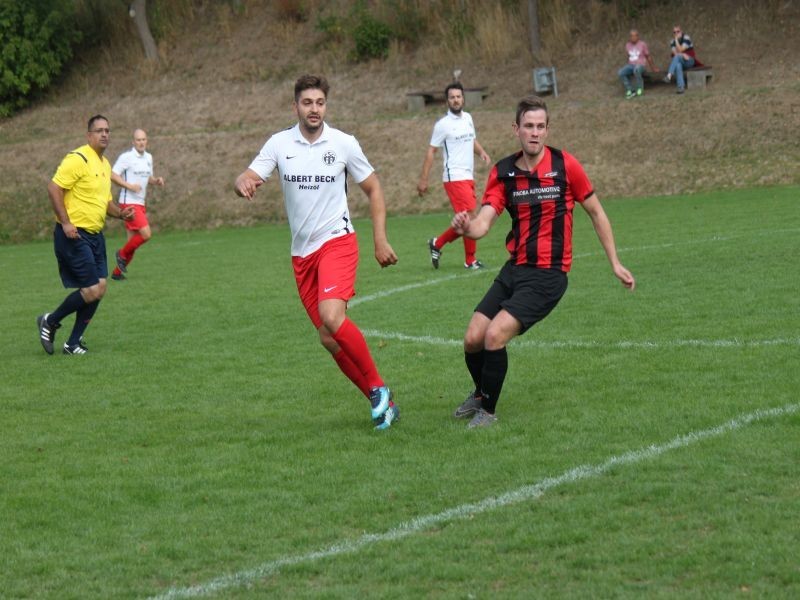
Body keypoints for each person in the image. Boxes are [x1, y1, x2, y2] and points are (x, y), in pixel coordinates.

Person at [450, 96, 636, 428]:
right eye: (528, 126)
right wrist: (467, 227)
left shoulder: (566, 166)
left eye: (540, 127)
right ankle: (480, 393)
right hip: (514, 270)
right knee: (472, 338)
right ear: (516, 129)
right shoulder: (503, 172)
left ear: (547, 129)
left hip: (548, 275)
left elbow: (596, 212)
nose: (534, 133)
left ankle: (488, 412)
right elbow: (483, 223)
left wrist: (615, 262)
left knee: (495, 336)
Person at [234, 74, 400, 430]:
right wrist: (243, 182)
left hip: (337, 241)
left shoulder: (343, 143)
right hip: (302, 254)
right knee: (327, 336)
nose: (314, 109)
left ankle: (377, 387)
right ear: (295, 106)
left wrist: (380, 239)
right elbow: (248, 174)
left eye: (320, 103)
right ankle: (384, 400)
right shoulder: (280, 144)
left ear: (326, 105)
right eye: (307, 103)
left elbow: (374, 189)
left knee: (331, 315)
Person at [37, 115, 134, 355]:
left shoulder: (104, 164)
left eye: (108, 131)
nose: (104, 134)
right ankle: (50, 320)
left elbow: (106, 203)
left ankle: (72, 343)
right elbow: (54, 187)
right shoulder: (77, 158)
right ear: (88, 135)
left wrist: (121, 214)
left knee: (100, 287)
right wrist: (66, 222)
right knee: (91, 289)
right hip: (74, 234)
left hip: (95, 235)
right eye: (99, 130)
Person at [417, 82, 491, 270]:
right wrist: (424, 179)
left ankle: (438, 243)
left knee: (467, 219)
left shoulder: (468, 118)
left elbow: (471, 139)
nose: (456, 100)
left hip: (468, 176)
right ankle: (470, 260)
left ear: (463, 98)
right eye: (452, 97)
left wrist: (481, 152)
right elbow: (431, 152)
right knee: (471, 218)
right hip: (454, 177)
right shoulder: (443, 125)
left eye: (458, 96)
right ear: (447, 101)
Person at [109, 128, 165, 280]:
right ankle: (120, 254)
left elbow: (148, 177)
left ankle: (116, 273)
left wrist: (156, 181)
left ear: (147, 141)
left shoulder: (148, 157)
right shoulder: (126, 157)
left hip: (140, 203)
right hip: (128, 203)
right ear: (133, 142)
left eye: (144, 139)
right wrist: (129, 186)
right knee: (146, 234)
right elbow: (112, 175)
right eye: (138, 140)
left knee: (132, 243)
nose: (141, 142)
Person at [617, 29, 658, 99]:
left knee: (637, 69)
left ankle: (640, 88)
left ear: (637, 36)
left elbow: (648, 56)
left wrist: (653, 67)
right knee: (620, 72)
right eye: (631, 36)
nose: (633, 38)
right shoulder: (627, 45)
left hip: (641, 65)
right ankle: (629, 89)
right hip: (631, 65)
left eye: (634, 36)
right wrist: (628, 66)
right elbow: (628, 56)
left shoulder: (642, 44)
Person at [664, 25, 697, 94]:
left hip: (689, 60)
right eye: (674, 32)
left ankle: (669, 75)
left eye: (678, 31)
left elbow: (681, 49)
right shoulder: (672, 42)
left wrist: (676, 40)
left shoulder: (686, 38)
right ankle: (681, 87)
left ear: (681, 31)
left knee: (678, 57)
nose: (676, 33)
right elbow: (675, 53)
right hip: (681, 60)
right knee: (678, 65)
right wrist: (682, 54)